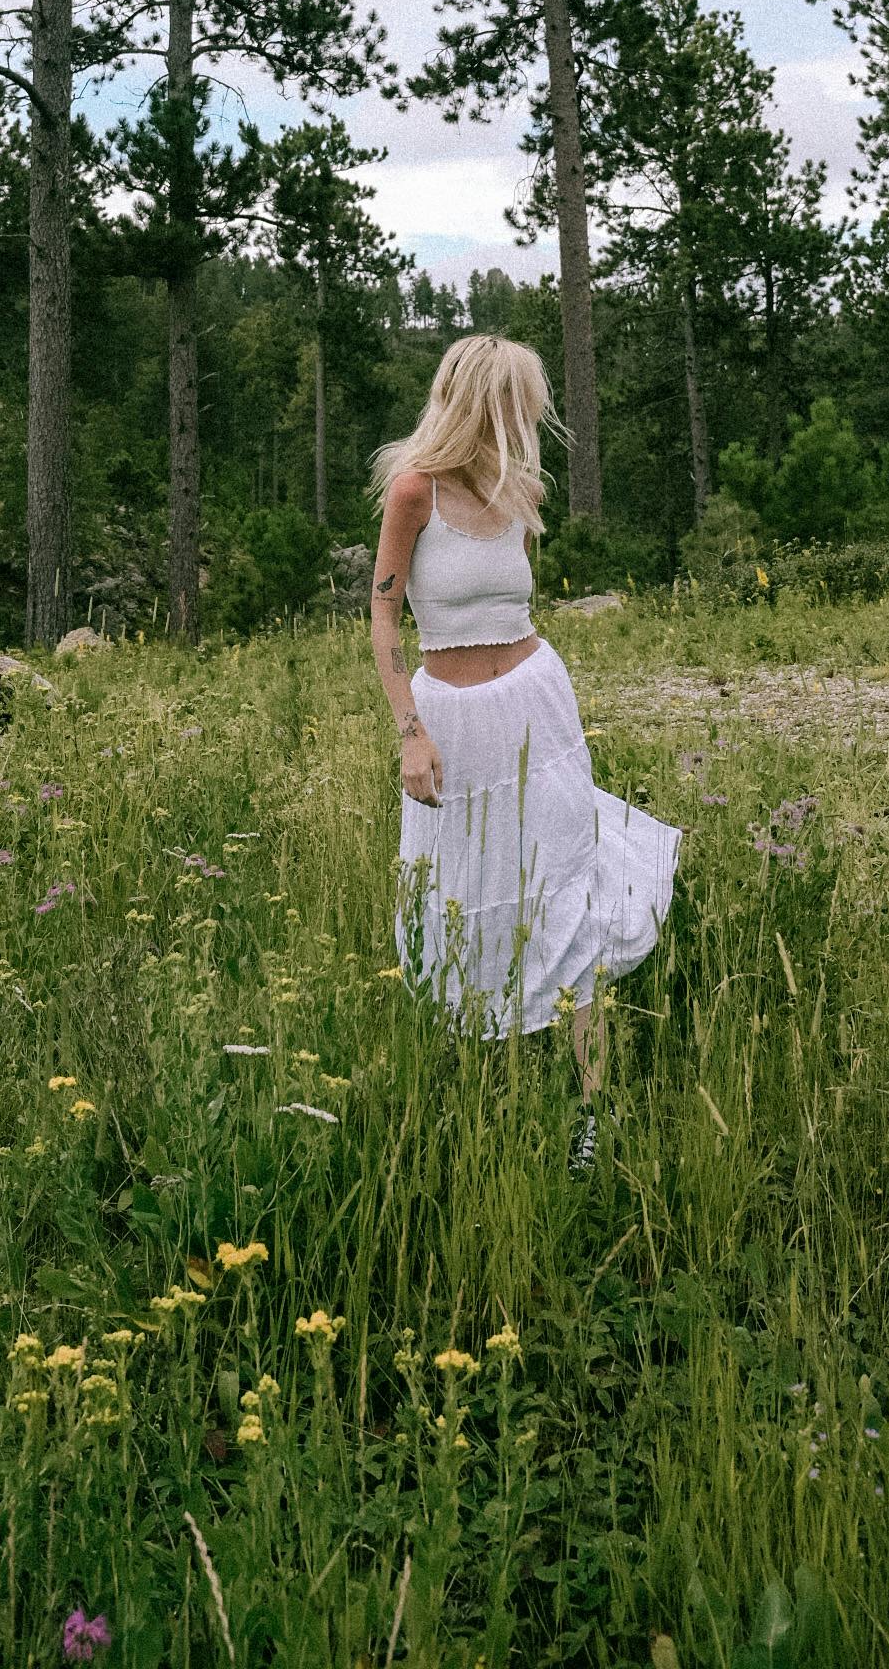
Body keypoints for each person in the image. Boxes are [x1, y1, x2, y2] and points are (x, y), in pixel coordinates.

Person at [368, 333, 681, 1171]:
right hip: (453, 723)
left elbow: (515, 603)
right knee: (464, 899)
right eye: (513, 402)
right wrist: (409, 731)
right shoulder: (414, 493)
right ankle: (470, 1097)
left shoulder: (521, 491)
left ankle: (592, 1119)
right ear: (474, 402)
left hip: (538, 706)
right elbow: (385, 620)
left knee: (566, 890)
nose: (527, 417)